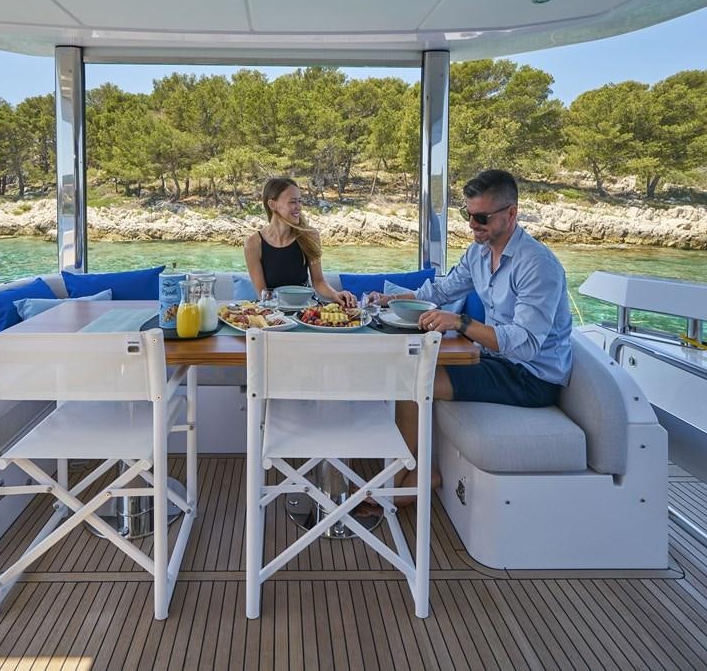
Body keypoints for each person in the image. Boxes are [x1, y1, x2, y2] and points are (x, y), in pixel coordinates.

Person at [368, 168, 573, 507]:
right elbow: (441, 289)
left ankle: (392, 491)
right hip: (496, 361)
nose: (472, 225)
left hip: (530, 376)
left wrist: (461, 322)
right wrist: (390, 299)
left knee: (410, 382)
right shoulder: (478, 252)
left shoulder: (537, 265)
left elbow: (525, 343)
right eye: (467, 214)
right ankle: (411, 477)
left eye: (480, 217)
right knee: (406, 373)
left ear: (511, 213)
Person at [243, 177, 357, 308]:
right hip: (273, 311)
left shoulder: (310, 236)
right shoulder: (253, 244)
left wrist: (335, 294)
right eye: (292, 202)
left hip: (307, 310)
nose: (299, 207)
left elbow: (319, 282)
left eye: (299, 201)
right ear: (272, 205)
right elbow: (263, 294)